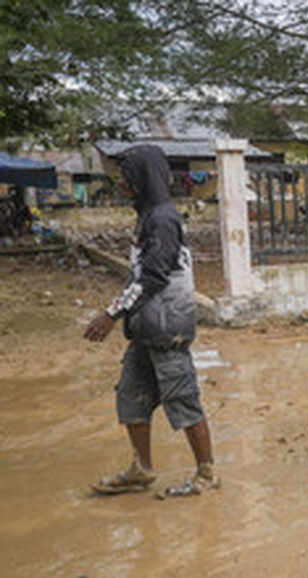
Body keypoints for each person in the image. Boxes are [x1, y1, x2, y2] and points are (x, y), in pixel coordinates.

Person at [83, 144, 218, 498]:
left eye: (126, 177)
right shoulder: (148, 218)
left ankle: (207, 473)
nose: (121, 183)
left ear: (143, 178)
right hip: (146, 329)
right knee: (131, 397)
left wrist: (112, 313)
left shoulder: (163, 220)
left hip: (167, 329)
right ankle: (141, 469)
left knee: (182, 399)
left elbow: (153, 276)